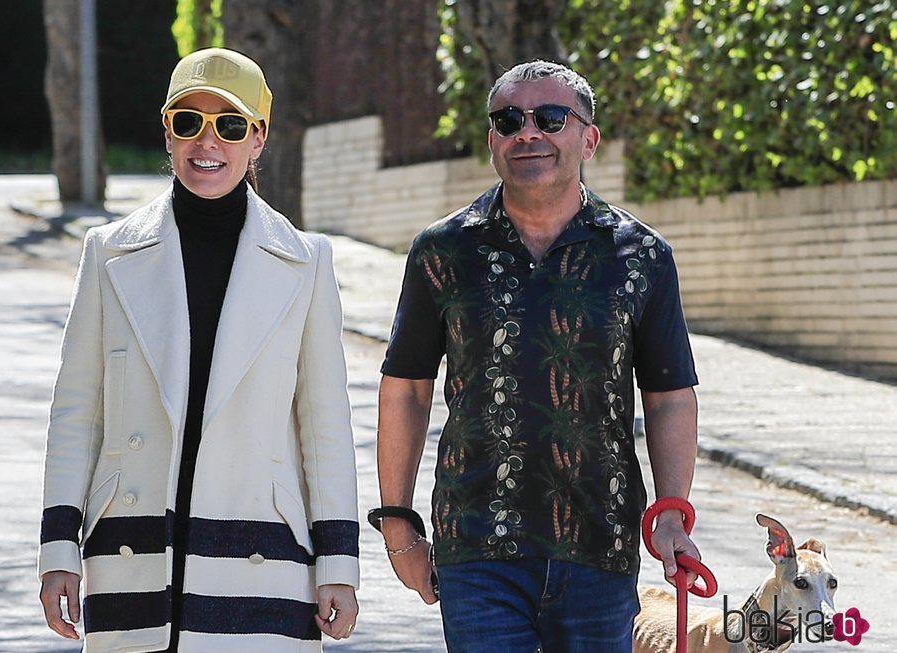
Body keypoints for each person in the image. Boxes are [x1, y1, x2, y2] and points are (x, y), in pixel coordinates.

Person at [38, 47, 359, 653]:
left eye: (230, 125)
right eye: (188, 121)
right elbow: (78, 412)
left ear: (258, 139)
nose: (206, 141)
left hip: (261, 556)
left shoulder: (305, 261)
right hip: (130, 554)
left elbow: (325, 427)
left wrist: (338, 562)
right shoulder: (108, 253)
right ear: (168, 131)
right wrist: (59, 547)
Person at [374, 60, 701, 652]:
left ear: (589, 139)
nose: (529, 132)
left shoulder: (642, 256)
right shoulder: (442, 251)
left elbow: (670, 394)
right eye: (508, 119)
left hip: (600, 546)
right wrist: (398, 525)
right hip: (476, 546)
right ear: (492, 140)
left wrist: (672, 513)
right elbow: (406, 388)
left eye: (551, 117)